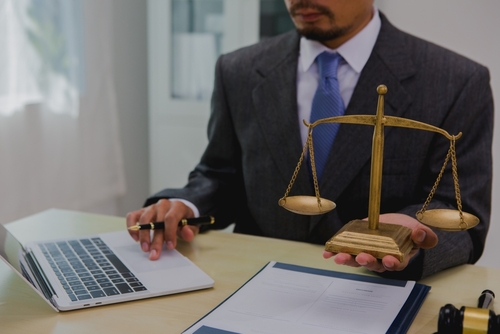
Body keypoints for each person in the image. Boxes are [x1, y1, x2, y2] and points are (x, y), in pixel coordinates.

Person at [126, 0, 493, 280]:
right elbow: (221, 175)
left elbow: (462, 218)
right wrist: (183, 206)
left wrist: (409, 237)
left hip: (380, 294)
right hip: (256, 285)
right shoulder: (237, 71)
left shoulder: (456, 82)